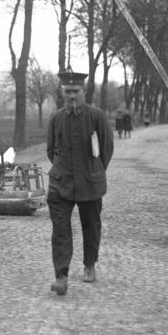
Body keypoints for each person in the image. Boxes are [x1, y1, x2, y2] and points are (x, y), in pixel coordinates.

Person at [47, 71, 114, 296]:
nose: (72, 96)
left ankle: (89, 265)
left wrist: (93, 172)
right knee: (60, 230)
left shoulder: (97, 117)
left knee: (91, 226)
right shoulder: (56, 118)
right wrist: (62, 170)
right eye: (67, 92)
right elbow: (50, 151)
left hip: (90, 183)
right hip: (61, 184)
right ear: (61, 92)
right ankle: (61, 276)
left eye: (76, 92)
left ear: (84, 92)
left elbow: (106, 150)